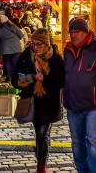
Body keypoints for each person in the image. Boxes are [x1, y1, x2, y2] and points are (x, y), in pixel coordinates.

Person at [63, 18, 96, 173]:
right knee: (77, 142)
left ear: (85, 32)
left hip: (94, 106)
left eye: (77, 32)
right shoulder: (67, 49)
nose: (73, 36)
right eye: (71, 32)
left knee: (93, 141)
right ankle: (82, 170)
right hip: (73, 105)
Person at [13, 30, 65, 173]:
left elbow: (61, 81)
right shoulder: (26, 56)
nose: (35, 47)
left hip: (48, 102)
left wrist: (45, 79)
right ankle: (41, 155)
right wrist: (31, 78)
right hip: (32, 101)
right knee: (40, 133)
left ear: (46, 43)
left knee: (42, 133)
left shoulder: (56, 59)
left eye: (39, 44)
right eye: (33, 43)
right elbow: (14, 80)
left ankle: (41, 165)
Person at [0, 13, 25, 82]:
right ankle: (16, 78)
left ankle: (8, 78)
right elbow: (21, 35)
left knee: (7, 63)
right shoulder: (13, 26)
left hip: (5, 49)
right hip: (16, 48)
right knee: (15, 63)